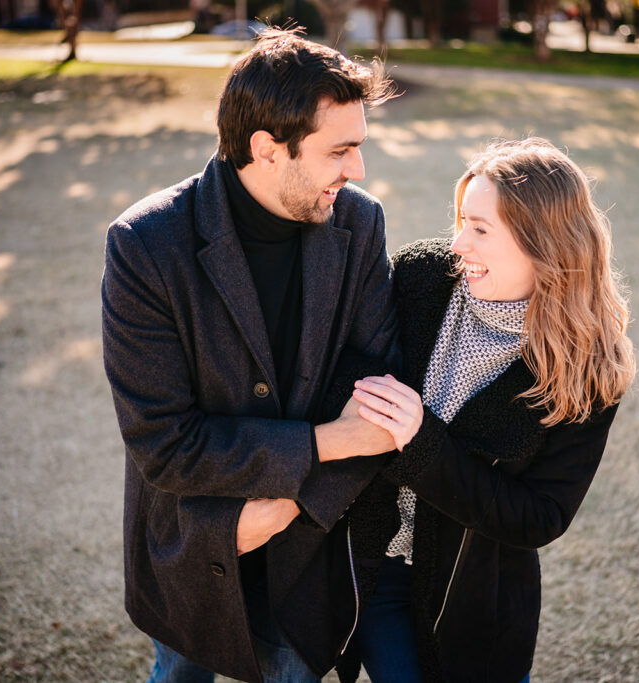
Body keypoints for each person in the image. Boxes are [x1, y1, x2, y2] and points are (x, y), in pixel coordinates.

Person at [101, 29, 400, 683]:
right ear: (266, 149)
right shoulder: (145, 246)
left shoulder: (361, 223)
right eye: (341, 150)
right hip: (196, 539)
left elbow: (378, 397)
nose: (357, 170)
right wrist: (320, 446)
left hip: (310, 543)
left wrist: (287, 505)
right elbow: (165, 441)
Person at [334, 138, 637, 683]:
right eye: (461, 220)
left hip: (475, 605)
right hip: (373, 571)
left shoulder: (587, 372)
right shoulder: (421, 278)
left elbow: (539, 516)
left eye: (480, 228)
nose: (458, 243)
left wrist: (422, 443)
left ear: (544, 244)